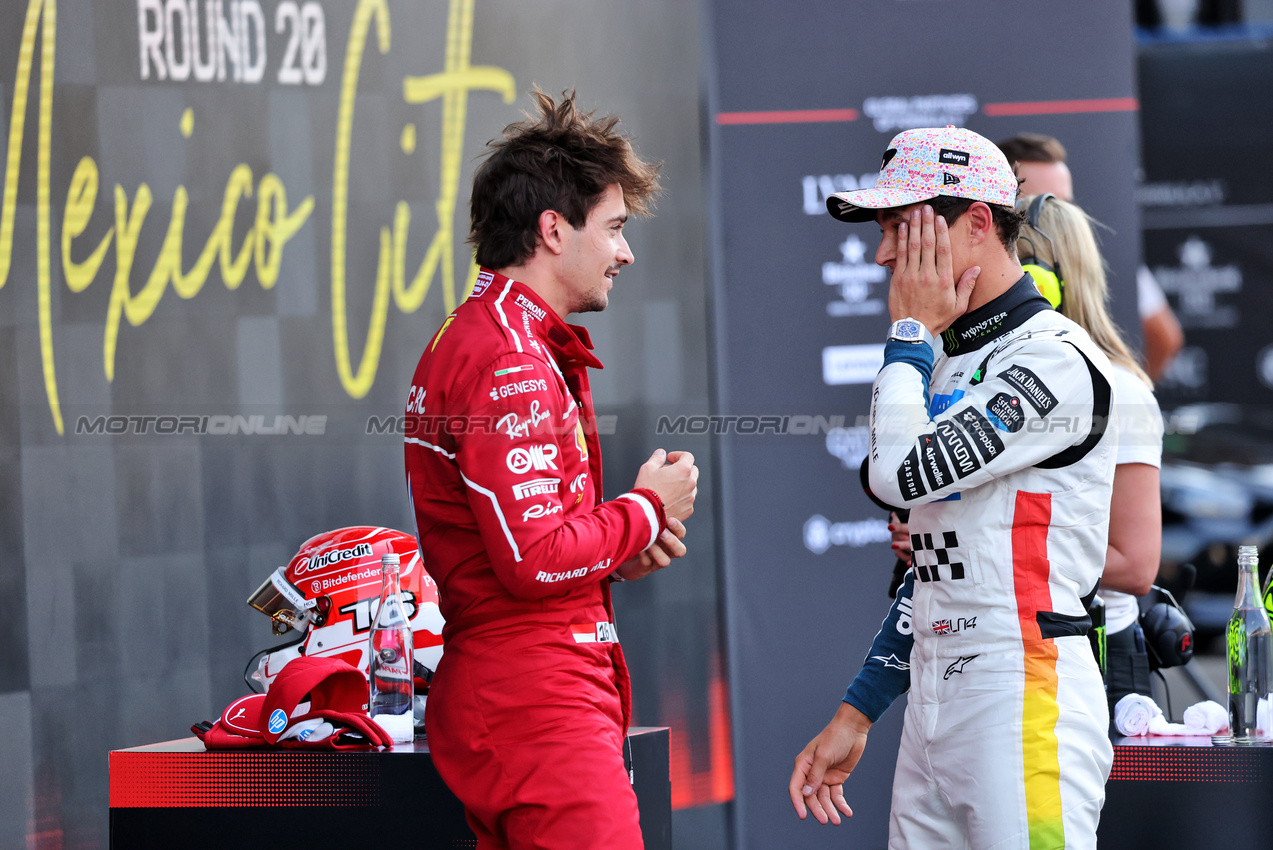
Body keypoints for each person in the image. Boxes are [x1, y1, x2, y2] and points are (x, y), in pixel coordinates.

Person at [790, 126, 1116, 850]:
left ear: (975, 223)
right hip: (938, 697)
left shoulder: (1053, 363)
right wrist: (859, 709)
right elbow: (937, 569)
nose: (880, 256)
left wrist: (908, 333)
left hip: (1024, 693)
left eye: (898, 231)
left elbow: (894, 475)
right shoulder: (940, 363)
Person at [404, 89, 699, 850]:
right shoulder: (507, 356)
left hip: (526, 691)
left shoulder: (491, 337)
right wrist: (644, 508)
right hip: (534, 700)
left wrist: (616, 553)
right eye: (614, 229)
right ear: (551, 229)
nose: (625, 253)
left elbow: (528, 545)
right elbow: (532, 561)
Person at [1016, 192, 1163, 722]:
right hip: (1010, 653)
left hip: (1097, 658)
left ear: (1047, 279)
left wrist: (992, 543)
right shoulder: (996, 385)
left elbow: (1136, 565)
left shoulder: (1121, 392)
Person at [997, 133, 1184, 382]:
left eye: (1063, 204)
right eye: (1035, 203)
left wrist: (1112, 400)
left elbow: (1165, 337)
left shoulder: (1106, 262)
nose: (1056, 217)